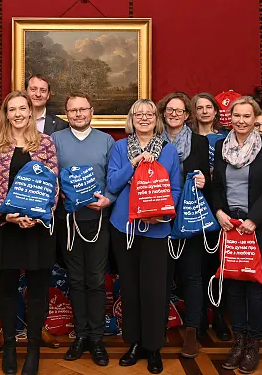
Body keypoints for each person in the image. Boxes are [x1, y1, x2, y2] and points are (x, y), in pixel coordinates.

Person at [0, 91, 59, 375]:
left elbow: (54, 183)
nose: (17, 114)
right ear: (6, 114)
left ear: (31, 112)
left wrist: (37, 216)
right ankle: (11, 346)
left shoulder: (47, 143)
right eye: (11, 109)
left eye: (22, 108)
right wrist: (7, 215)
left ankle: (34, 348)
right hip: (7, 227)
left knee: (38, 290)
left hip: (37, 227)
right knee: (8, 289)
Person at [107, 99, 181, 374]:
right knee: (130, 287)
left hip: (157, 228)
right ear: (131, 119)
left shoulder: (169, 151)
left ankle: (153, 347)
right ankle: (134, 342)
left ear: (156, 118)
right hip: (124, 228)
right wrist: (135, 163)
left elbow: (176, 188)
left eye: (149, 113)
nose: (144, 118)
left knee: (154, 290)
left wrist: (162, 215)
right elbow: (113, 183)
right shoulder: (119, 148)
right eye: (138, 114)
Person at [211, 96, 262, 374]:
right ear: (230, 117)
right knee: (233, 284)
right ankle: (238, 341)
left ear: (255, 119)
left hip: (257, 226)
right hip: (229, 224)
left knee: (254, 285)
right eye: (236, 116)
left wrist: (254, 219)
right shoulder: (220, 146)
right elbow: (216, 185)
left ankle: (254, 343)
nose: (241, 121)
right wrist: (219, 212)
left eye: (246, 116)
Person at [52, 92, 115, 367]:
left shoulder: (107, 141)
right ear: (67, 114)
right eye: (73, 110)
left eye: (83, 109)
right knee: (76, 279)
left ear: (92, 111)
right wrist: (58, 193)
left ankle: (97, 339)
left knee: (96, 280)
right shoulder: (56, 140)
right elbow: (47, 176)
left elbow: (115, 177)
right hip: (69, 221)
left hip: (99, 220)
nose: (78, 114)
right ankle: (81, 335)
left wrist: (108, 198)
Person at [157, 92, 211, 358]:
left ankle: (192, 330)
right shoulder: (154, 142)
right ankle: (159, 327)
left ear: (188, 115)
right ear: (163, 112)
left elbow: (212, 179)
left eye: (180, 110)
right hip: (159, 218)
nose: (174, 114)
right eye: (170, 109)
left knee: (192, 276)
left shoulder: (200, 143)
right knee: (162, 276)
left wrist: (205, 181)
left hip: (189, 218)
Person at [189, 93, 231, 341]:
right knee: (197, 268)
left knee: (219, 266)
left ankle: (219, 317)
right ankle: (200, 319)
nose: (204, 111)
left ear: (216, 112)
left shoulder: (226, 138)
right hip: (194, 205)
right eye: (199, 107)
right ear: (193, 112)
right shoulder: (188, 139)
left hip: (220, 204)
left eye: (208, 107)